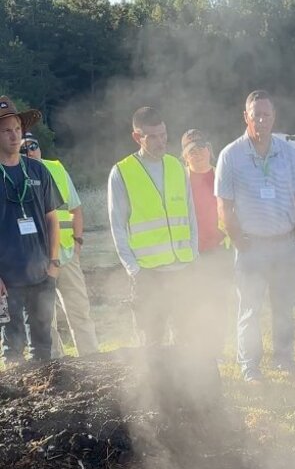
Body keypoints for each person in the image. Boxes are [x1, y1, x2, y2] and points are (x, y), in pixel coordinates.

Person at [215, 90, 295, 383]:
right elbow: (224, 206)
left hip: (284, 244)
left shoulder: (287, 153)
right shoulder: (230, 155)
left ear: (274, 117)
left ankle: (284, 359)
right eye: (256, 115)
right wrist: (240, 241)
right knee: (250, 310)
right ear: (246, 117)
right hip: (252, 247)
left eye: (267, 115)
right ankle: (250, 366)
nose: (262, 120)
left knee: (283, 307)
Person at [108, 106, 198, 347]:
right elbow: (117, 226)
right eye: (154, 136)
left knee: (186, 339)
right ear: (137, 137)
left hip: (182, 269)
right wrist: (134, 270)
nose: (161, 141)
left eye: (164, 134)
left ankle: (185, 385)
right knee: (151, 343)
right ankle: (154, 386)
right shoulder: (122, 173)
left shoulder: (177, 167)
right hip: (148, 274)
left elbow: (190, 216)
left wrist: (193, 256)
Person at [20, 132, 98, 358]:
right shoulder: (14, 175)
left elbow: (76, 209)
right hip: (38, 261)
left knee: (80, 311)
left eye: (33, 146)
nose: (30, 151)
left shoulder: (57, 169)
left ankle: (92, 358)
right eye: (25, 148)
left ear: (40, 148)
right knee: (45, 317)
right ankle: (57, 366)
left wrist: (78, 242)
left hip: (66, 255)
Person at [0, 96, 61, 363]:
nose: (14, 136)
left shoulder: (38, 170)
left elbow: (52, 218)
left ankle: (49, 399)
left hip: (41, 272)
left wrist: (54, 262)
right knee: (13, 347)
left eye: (17, 129)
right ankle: (16, 402)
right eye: (6, 131)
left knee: (43, 345)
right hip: (7, 278)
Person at [181, 128, 230, 356]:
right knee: (191, 302)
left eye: (202, 148)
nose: (198, 153)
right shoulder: (179, 179)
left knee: (217, 301)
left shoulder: (222, 173)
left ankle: (216, 350)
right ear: (185, 155)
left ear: (210, 149)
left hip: (219, 249)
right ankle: (193, 351)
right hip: (188, 253)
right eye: (192, 151)